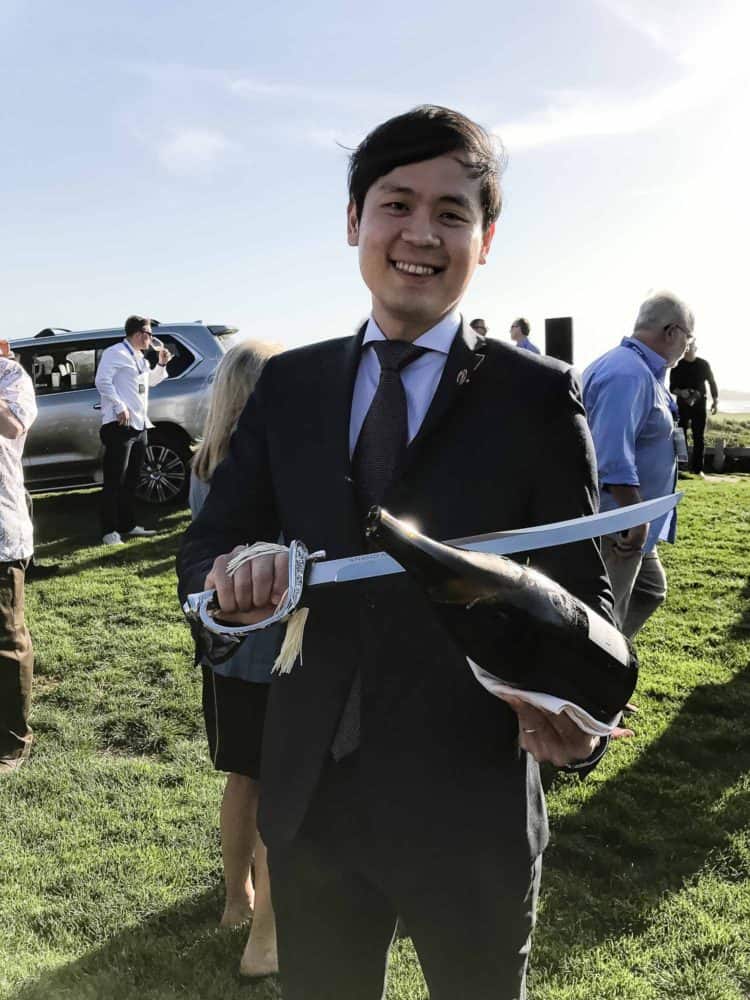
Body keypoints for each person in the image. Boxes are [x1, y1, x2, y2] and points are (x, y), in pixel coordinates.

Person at [178, 105, 615, 1000]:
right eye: (396, 204)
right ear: (353, 222)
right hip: (311, 807)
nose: (421, 234)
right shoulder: (292, 386)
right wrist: (228, 589)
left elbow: (585, 601)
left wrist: (577, 716)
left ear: (485, 239)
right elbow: (207, 550)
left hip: (472, 804)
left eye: (452, 213)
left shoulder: (536, 399)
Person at [190, 339, 282, 977]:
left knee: (244, 778)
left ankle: (236, 899)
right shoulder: (267, 469)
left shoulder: (204, 465)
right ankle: (268, 920)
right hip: (272, 651)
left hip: (225, 656)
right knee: (279, 782)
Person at [583, 291, 693, 638]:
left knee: (649, 590)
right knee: (604, 618)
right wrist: (634, 514)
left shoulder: (641, 370)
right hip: (618, 523)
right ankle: (589, 686)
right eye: (688, 337)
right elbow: (612, 452)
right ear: (672, 331)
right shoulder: (627, 373)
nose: (688, 347)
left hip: (631, 523)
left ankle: (606, 669)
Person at [94, 315, 171, 545]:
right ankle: (109, 531)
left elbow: (151, 382)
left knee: (132, 479)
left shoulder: (140, 357)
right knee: (114, 479)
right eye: (149, 334)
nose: (151, 339)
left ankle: (127, 525)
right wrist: (119, 405)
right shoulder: (115, 352)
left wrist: (162, 363)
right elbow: (102, 381)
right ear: (138, 333)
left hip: (140, 425)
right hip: (120, 425)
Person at [0, 341, 38, 774]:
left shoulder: (11, 378)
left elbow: (12, 428)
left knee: (7, 640)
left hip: (2, 535)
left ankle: (13, 738)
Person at [669, 338, 718, 476]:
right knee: (680, 435)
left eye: (691, 347)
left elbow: (712, 383)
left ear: (696, 349)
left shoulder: (703, 364)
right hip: (682, 405)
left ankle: (697, 469)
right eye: (686, 347)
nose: (688, 349)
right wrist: (681, 392)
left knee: (699, 437)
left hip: (700, 404)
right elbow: (672, 388)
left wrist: (715, 401)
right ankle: (681, 467)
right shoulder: (677, 366)